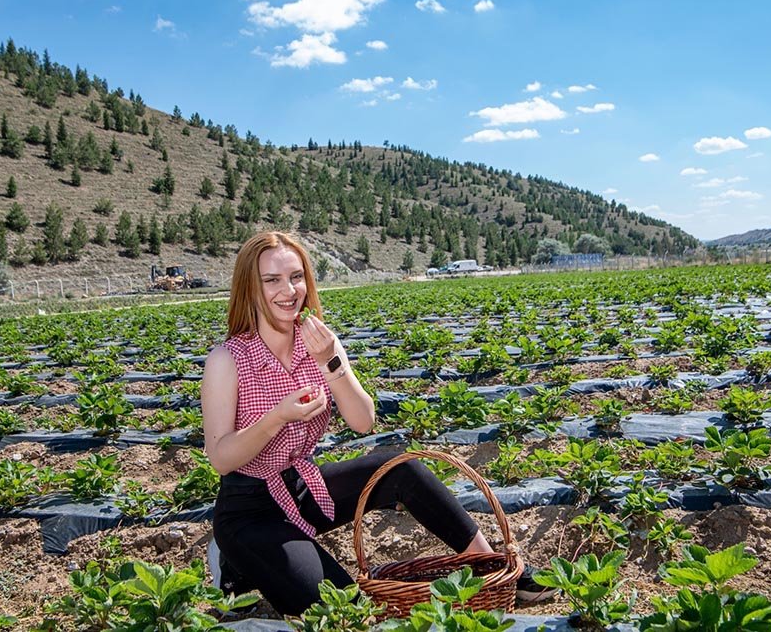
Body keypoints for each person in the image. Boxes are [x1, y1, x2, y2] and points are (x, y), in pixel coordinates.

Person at [202, 231, 553, 616]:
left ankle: (492, 565)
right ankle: (236, 562)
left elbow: (364, 421)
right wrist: (276, 418)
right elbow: (221, 458)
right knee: (348, 609)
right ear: (250, 288)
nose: (289, 290)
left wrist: (330, 363)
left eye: (296, 276)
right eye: (272, 280)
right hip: (247, 507)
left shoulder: (319, 343)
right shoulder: (227, 360)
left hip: (301, 487)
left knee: (402, 467)